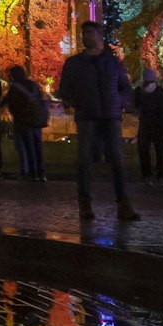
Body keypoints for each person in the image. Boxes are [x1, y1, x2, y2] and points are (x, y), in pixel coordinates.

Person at [57, 21, 139, 221]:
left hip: (110, 117)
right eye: (84, 34)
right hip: (87, 117)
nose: (85, 37)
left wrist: (118, 102)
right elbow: (65, 90)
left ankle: (123, 203)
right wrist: (78, 103)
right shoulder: (74, 63)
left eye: (89, 33)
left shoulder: (112, 63)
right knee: (84, 161)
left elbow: (124, 87)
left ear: (99, 35)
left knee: (117, 161)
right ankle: (85, 202)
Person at [3, 64, 49, 181]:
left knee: (26, 146)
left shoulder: (15, 88)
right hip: (36, 120)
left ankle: (30, 172)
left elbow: (10, 102)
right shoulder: (33, 85)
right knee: (37, 146)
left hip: (23, 121)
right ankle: (41, 172)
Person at [132, 67, 163, 184]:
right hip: (159, 125)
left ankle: (146, 174)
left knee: (144, 150)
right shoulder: (160, 92)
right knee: (160, 151)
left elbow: (136, 106)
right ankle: (161, 175)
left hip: (144, 124)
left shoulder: (139, 91)